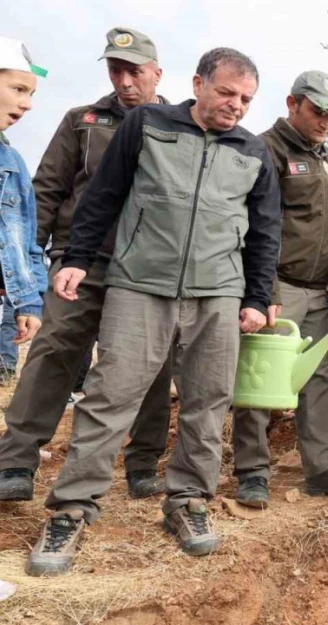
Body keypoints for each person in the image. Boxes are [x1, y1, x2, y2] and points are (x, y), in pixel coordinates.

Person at [26, 47, 282, 576]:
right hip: (139, 284)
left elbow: (265, 233)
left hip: (218, 293)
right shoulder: (147, 124)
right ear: (198, 83)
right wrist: (76, 259)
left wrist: (257, 298)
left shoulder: (254, 153)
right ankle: (72, 509)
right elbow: (104, 195)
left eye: (246, 99)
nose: (236, 106)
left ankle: (188, 502)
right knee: (109, 395)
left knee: (208, 402)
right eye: (227, 93)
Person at [0, 27, 173, 502]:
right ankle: (16, 461)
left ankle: (142, 463)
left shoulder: (180, 128)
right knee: (53, 352)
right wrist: (25, 271)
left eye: (134, 70)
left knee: (153, 367)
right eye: (116, 70)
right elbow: (46, 192)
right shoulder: (83, 121)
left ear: (157, 72)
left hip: (148, 271)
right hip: (80, 265)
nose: (125, 81)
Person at [231, 70, 328, 508]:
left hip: (321, 288)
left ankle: (320, 468)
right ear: (292, 103)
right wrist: (263, 290)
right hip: (279, 284)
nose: (325, 122)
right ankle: (252, 472)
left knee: (316, 380)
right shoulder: (266, 149)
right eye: (317, 112)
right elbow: (255, 226)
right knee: (260, 380)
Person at [0, 37, 47, 376]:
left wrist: (29, 302)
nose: (27, 104)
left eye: (31, 94)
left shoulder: (13, 165)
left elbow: (27, 244)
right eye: (18, 89)